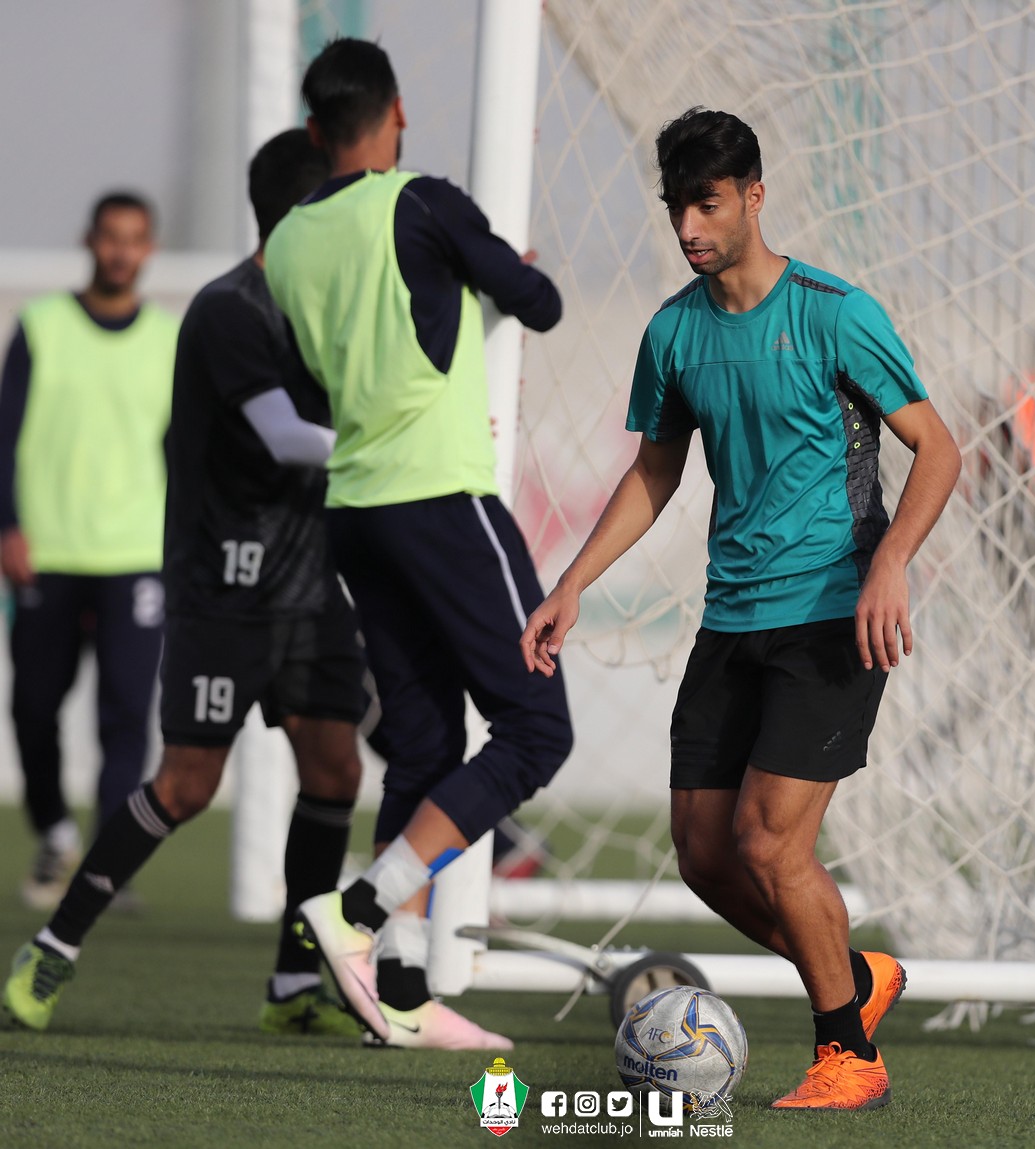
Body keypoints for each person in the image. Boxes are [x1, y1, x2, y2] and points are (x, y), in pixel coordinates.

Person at [520, 108, 962, 1111]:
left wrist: (892, 562)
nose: (689, 226)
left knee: (770, 842)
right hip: (732, 619)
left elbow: (938, 448)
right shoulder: (673, 333)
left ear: (755, 196)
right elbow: (655, 471)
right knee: (705, 855)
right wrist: (571, 583)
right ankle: (854, 975)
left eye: (708, 203)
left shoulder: (835, 313)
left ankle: (847, 1052)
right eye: (677, 205)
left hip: (833, 613)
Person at [3, 130, 367, 1039]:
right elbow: (285, 437)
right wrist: (394, 445)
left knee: (335, 766)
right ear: (303, 214)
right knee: (185, 784)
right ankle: (53, 945)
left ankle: (294, 982)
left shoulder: (330, 304)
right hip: (225, 589)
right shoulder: (230, 309)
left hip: (309, 583)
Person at [264, 37, 573, 1051]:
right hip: (438, 496)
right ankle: (358, 910)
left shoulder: (287, 243)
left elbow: (310, 385)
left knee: (426, 743)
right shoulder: (421, 204)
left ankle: (396, 989)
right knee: (536, 729)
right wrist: (505, 278)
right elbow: (540, 304)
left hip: (354, 511)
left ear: (314, 130)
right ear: (397, 112)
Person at [0, 193, 178, 910]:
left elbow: (184, 449)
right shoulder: (42, 326)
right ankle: (53, 830)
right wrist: (8, 526)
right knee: (32, 707)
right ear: (90, 241)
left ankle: (108, 861)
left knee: (128, 713)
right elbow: (5, 435)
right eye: (110, 237)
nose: (121, 251)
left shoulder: (168, 339)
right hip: (47, 551)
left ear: (149, 249)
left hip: (136, 555)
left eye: (134, 239)